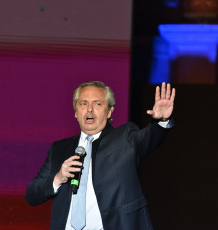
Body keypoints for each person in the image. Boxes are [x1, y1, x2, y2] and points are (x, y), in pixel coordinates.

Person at [25, 81, 175, 230]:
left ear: (109, 111)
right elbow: (32, 195)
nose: (89, 109)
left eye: (97, 104)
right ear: (76, 112)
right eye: (83, 104)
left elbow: (148, 139)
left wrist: (161, 121)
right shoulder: (60, 149)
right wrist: (58, 178)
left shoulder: (125, 137)